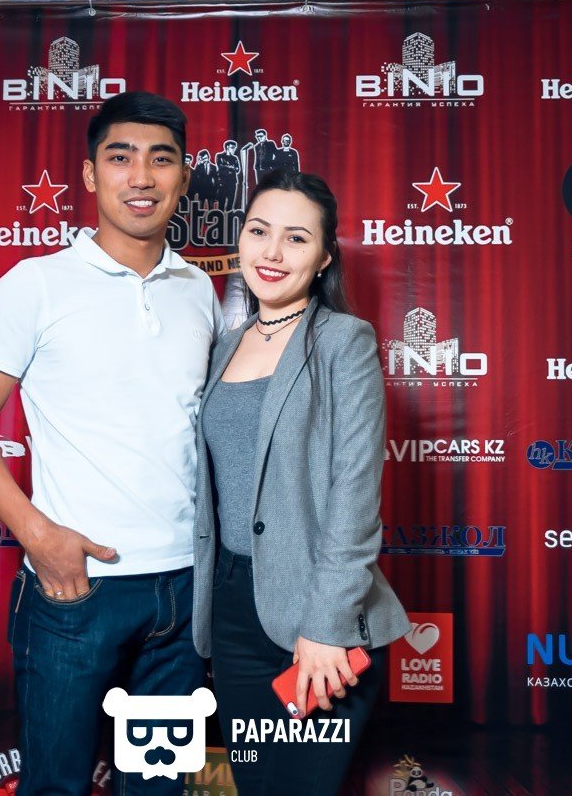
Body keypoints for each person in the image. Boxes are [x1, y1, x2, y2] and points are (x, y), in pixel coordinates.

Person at [0, 91, 220, 796]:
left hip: (186, 591)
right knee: (55, 786)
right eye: (121, 158)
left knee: (157, 789)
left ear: (184, 177)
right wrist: (40, 537)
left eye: (161, 159)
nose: (142, 177)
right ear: (92, 175)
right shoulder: (35, 284)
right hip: (76, 587)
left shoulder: (199, 290)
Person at [192, 170, 410, 795]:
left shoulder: (343, 341)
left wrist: (326, 626)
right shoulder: (222, 347)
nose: (273, 252)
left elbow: (355, 493)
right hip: (232, 608)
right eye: (259, 231)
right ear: (240, 239)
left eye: (296, 238)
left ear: (324, 258)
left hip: (318, 610)